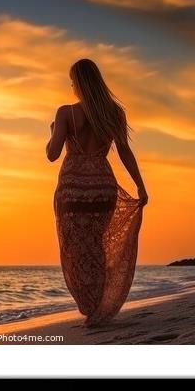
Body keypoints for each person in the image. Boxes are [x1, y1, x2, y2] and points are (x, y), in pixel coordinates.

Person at [46, 58, 148, 328]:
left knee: (74, 250)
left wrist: (54, 131)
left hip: (73, 189)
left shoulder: (66, 113)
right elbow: (125, 151)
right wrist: (140, 185)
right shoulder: (114, 113)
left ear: (79, 84)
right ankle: (99, 308)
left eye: (72, 82)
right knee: (97, 248)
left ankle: (91, 307)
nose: (71, 86)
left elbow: (52, 154)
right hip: (103, 186)